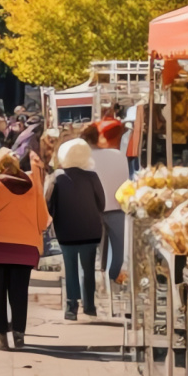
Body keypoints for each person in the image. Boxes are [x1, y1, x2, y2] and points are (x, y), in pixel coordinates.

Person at [0, 150, 49, 348]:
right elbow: (43, 221)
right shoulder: (34, 189)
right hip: (25, 249)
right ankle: (19, 335)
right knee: (19, 293)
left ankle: (1, 339)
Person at [46, 138, 106, 321]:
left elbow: (49, 205)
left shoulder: (57, 176)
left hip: (66, 231)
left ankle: (71, 306)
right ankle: (90, 305)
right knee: (88, 269)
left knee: (70, 267)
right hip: (90, 230)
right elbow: (101, 204)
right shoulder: (92, 176)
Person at [88, 122, 129, 286]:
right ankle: (114, 281)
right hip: (118, 208)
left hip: (92, 210)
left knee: (90, 253)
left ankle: (91, 286)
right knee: (119, 251)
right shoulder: (118, 155)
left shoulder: (86, 158)